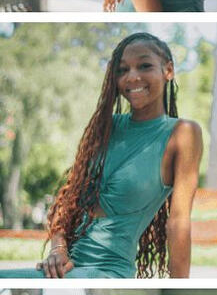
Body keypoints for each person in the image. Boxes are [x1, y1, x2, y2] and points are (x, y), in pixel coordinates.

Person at [2, 32, 202, 279]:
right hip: (65, 269)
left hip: (108, 271)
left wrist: (178, 287)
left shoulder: (183, 134)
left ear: (168, 70)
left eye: (145, 65)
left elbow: (179, 222)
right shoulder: (105, 126)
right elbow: (66, 201)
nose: (132, 77)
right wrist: (58, 250)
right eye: (122, 70)